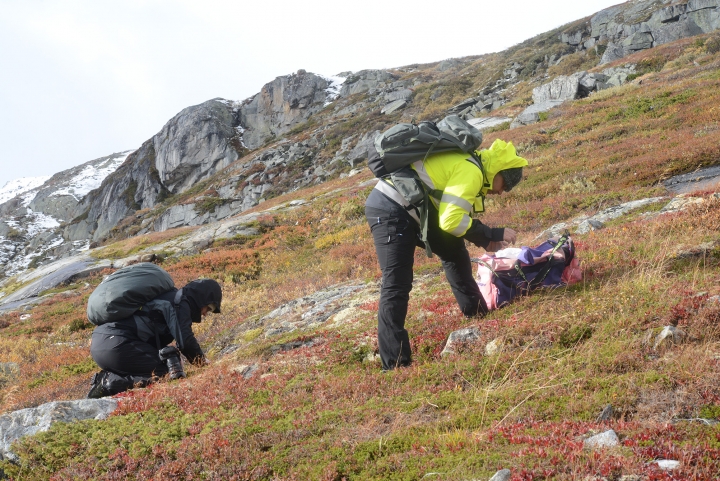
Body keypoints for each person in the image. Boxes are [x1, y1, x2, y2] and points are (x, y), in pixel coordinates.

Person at [365, 139, 528, 371]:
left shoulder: (472, 166)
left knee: (454, 251)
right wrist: (492, 232)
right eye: (506, 184)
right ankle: (395, 365)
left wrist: (486, 240)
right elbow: (451, 220)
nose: (502, 192)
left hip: (416, 209)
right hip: (390, 208)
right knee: (396, 283)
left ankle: (478, 316)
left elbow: (451, 218)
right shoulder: (471, 170)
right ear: (498, 172)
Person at [87, 278, 222, 398]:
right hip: (117, 344)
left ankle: (106, 380)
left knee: (169, 362)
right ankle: (108, 382)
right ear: (202, 299)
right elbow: (185, 342)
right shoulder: (180, 303)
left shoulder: (171, 298)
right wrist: (203, 364)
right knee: (166, 371)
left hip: (104, 343)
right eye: (208, 308)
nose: (205, 314)